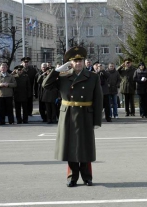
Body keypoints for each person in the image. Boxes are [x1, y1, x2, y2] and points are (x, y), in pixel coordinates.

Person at [42, 46, 103, 187]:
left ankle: (87, 177)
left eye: (80, 60)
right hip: (68, 114)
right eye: (75, 61)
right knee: (70, 147)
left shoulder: (92, 77)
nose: (78, 63)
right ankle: (72, 177)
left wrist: (97, 120)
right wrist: (57, 71)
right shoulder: (63, 76)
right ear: (70, 63)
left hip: (85, 114)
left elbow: (98, 99)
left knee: (85, 147)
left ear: (84, 61)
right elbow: (46, 85)